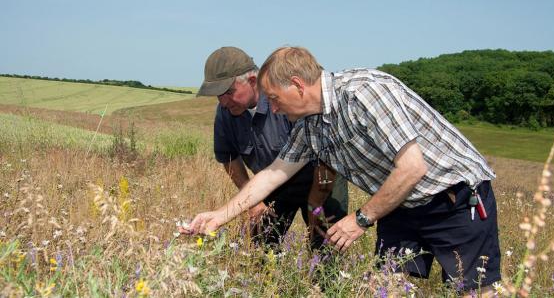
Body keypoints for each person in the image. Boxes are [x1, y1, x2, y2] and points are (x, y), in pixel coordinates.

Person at [182, 46, 500, 295]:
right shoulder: (309, 125)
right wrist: (219, 216)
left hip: (453, 198)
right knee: (390, 289)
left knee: (474, 291)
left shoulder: (365, 91)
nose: (273, 109)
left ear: (297, 85)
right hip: (398, 203)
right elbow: (273, 174)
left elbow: (413, 167)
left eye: (276, 100)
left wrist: (360, 219)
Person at [189, 46, 348, 249]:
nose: (223, 101)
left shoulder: (287, 100)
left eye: (228, 92)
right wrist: (253, 202)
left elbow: (327, 157)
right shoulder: (226, 112)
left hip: (323, 177)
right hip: (273, 183)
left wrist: (315, 204)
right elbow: (229, 158)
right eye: (217, 95)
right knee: (256, 247)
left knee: (325, 244)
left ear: (253, 81)